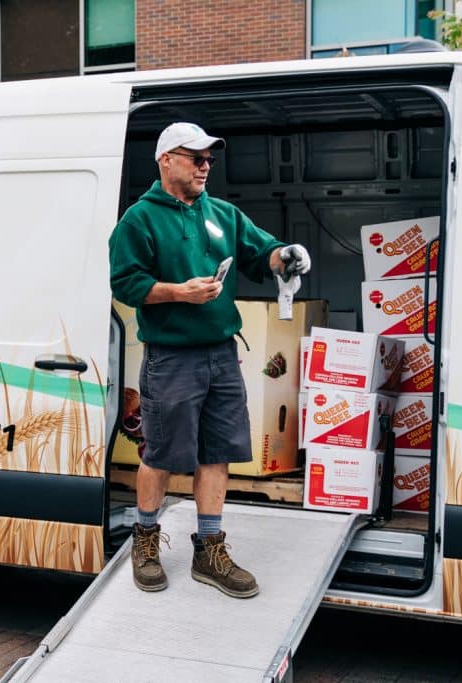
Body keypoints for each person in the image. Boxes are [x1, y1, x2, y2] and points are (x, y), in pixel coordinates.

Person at [108, 122, 312, 599]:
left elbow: (262, 253)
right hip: (172, 358)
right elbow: (126, 284)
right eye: (195, 157)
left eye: (208, 159)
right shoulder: (139, 220)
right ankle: (145, 542)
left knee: (215, 452)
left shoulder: (222, 213)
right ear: (166, 160)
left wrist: (287, 255)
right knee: (159, 454)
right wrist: (179, 292)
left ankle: (209, 550)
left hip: (221, 355)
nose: (204, 166)